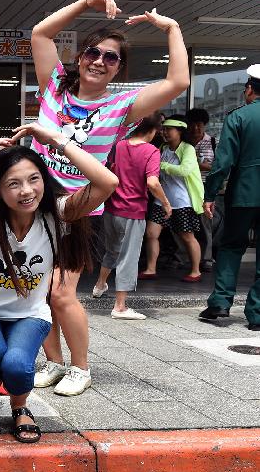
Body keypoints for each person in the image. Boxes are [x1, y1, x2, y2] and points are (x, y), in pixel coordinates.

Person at [29, 0, 189, 396]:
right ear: (81, 57)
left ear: (119, 69)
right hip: (33, 202)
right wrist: (84, 3)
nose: (99, 60)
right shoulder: (54, 90)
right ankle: (53, 361)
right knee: (35, 292)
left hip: (81, 206)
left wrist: (171, 29)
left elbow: (178, 82)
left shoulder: (121, 105)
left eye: (111, 57)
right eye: (93, 52)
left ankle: (80, 368)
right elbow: (40, 33)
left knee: (61, 292)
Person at [0, 123, 117, 445]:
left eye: (33, 179)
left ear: (44, 180)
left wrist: (58, 141)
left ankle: (19, 408)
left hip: (29, 314)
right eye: (12, 184)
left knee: (15, 363)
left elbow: (107, 182)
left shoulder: (57, 213)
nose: (26, 191)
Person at [92, 113, 171, 319]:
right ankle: (120, 306)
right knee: (129, 256)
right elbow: (153, 183)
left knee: (112, 250)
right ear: (153, 131)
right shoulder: (151, 151)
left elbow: (106, 170)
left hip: (111, 209)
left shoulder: (118, 146)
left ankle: (100, 285)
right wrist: (165, 203)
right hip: (133, 211)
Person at [199, 65, 260, 330]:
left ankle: (220, 304)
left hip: (243, 194)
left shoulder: (239, 117)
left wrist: (209, 194)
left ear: (249, 89)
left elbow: (222, 163)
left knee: (232, 247)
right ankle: (257, 315)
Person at [140, 115, 204, 282]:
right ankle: (150, 269)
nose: (164, 132)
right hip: (161, 200)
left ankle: (196, 271)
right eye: (164, 129)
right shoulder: (162, 148)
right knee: (151, 233)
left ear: (180, 131)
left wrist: (160, 165)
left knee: (187, 236)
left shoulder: (187, 149)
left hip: (182, 202)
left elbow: (184, 170)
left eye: (169, 129)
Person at [187, 107, 218, 272]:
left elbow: (217, 167)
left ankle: (206, 258)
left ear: (204, 125)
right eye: (192, 124)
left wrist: (196, 165)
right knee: (184, 223)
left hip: (205, 189)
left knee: (207, 223)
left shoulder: (212, 142)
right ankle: (185, 257)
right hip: (185, 188)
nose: (196, 128)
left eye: (199, 124)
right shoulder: (183, 142)